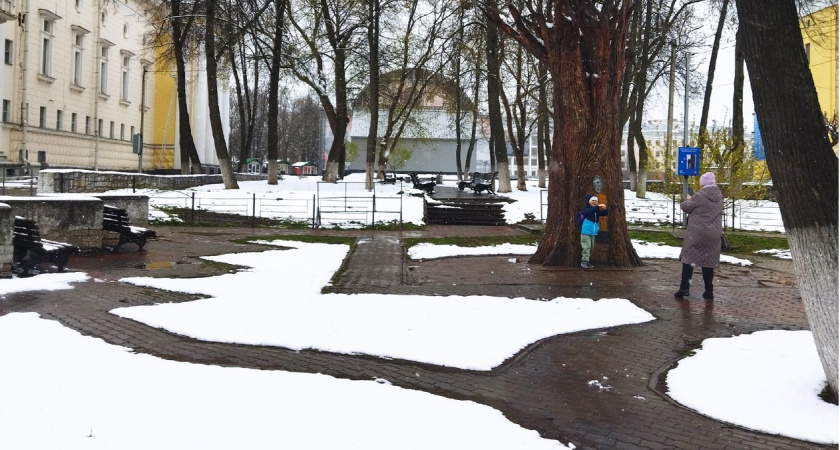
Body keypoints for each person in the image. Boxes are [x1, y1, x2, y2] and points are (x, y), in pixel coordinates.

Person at [674, 172, 724, 299]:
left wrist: (689, 199)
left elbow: (685, 207)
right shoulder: (719, 196)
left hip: (698, 233)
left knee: (689, 259)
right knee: (708, 262)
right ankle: (709, 291)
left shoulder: (700, 195)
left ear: (703, 183)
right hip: (714, 234)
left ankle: (684, 288)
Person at [580, 194, 608, 269]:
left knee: (591, 247)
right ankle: (584, 261)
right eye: (593, 200)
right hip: (585, 231)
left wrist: (605, 209)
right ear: (589, 202)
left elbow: (604, 214)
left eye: (596, 201)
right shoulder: (587, 210)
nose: (594, 202)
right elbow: (589, 212)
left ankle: (587, 260)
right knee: (587, 246)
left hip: (593, 232)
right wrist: (597, 207)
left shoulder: (596, 210)